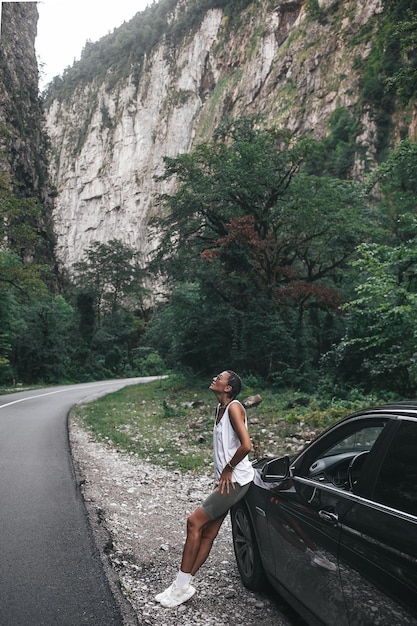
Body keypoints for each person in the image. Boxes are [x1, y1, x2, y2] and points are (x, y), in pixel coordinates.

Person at [155, 370, 254, 608]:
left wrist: (228, 469)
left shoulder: (234, 408)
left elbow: (247, 445)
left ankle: (180, 586)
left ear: (228, 387)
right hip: (226, 481)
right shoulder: (219, 409)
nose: (214, 379)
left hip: (236, 480)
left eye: (219, 378)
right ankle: (182, 585)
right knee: (208, 532)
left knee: (194, 522)